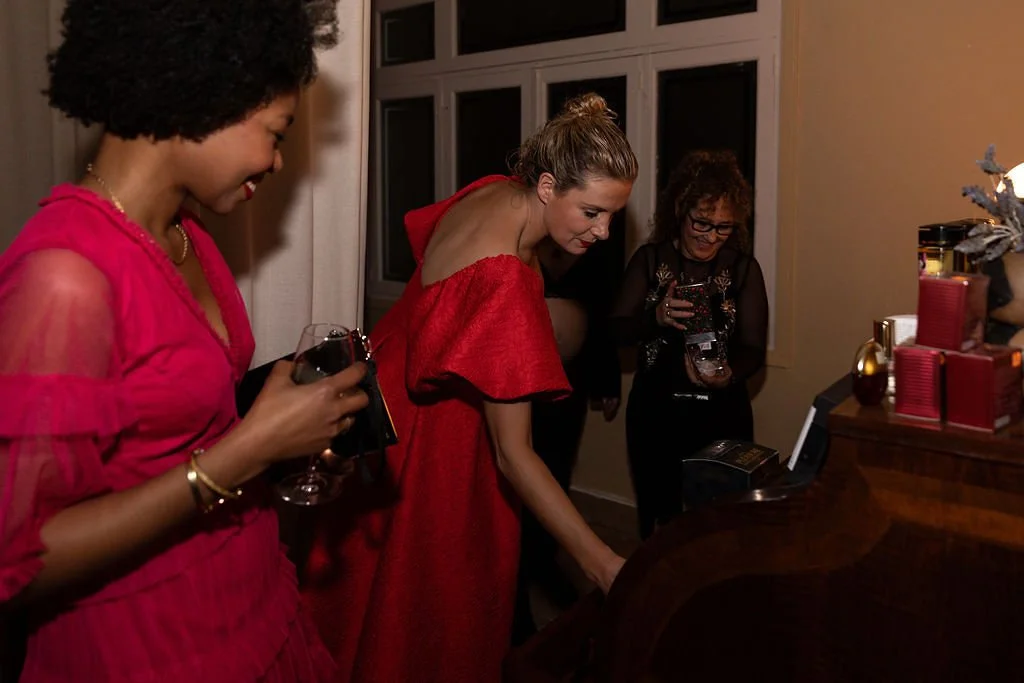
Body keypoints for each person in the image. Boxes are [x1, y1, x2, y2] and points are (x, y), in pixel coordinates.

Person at [0, 2, 369, 682]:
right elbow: (22, 561)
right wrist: (247, 451)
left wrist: (283, 445)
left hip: (253, 604)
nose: (276, 160)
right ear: (207, 94)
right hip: (150, 648)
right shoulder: (65, 277)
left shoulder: (185, 236)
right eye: (275, 133)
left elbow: (172, 437)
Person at [302, 93, 638, 683]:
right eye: (591, 212)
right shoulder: (507, 281)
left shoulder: (492, 191)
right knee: (435, 619)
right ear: (547, 186)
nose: (604, 231)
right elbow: (514, 455)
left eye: (613, 215)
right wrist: (603, 563)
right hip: (438, 448)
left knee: (364, 597)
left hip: (382, 409)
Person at [609, 149, 768, 540]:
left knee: (720, 527)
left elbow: (753, 349)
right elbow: (615, 332)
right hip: (656, 415)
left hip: (723, 415)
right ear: (680, 209)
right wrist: (656, 318)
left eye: (724, 227)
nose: (710, 236)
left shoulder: (743, 269)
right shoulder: (650, 261)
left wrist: (729, 374)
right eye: (702, 222)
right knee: (659, 522)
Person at [511, 233, 623, 645]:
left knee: (557, 469)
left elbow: (606, 307)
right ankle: (516, 586)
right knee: (518, 481)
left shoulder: (602, 239)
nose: (601, 225)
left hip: (570, 382)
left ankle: (544, 561)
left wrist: (608, 379)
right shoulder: (517, 235)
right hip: (519, 381)